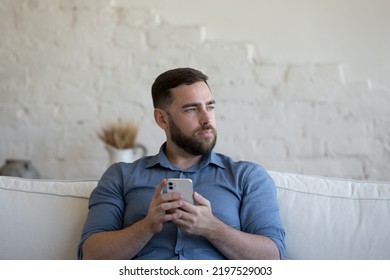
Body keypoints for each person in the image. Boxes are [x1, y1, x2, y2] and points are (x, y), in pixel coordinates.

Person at [78, 67, 285, 260]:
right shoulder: (121, 176)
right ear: (162, 119)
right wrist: (147, 226)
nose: (206, 118)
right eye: (191, 109)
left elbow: (274, 256)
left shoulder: (247, 176)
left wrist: (212, 228)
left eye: (210, 106)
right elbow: (89, 255)